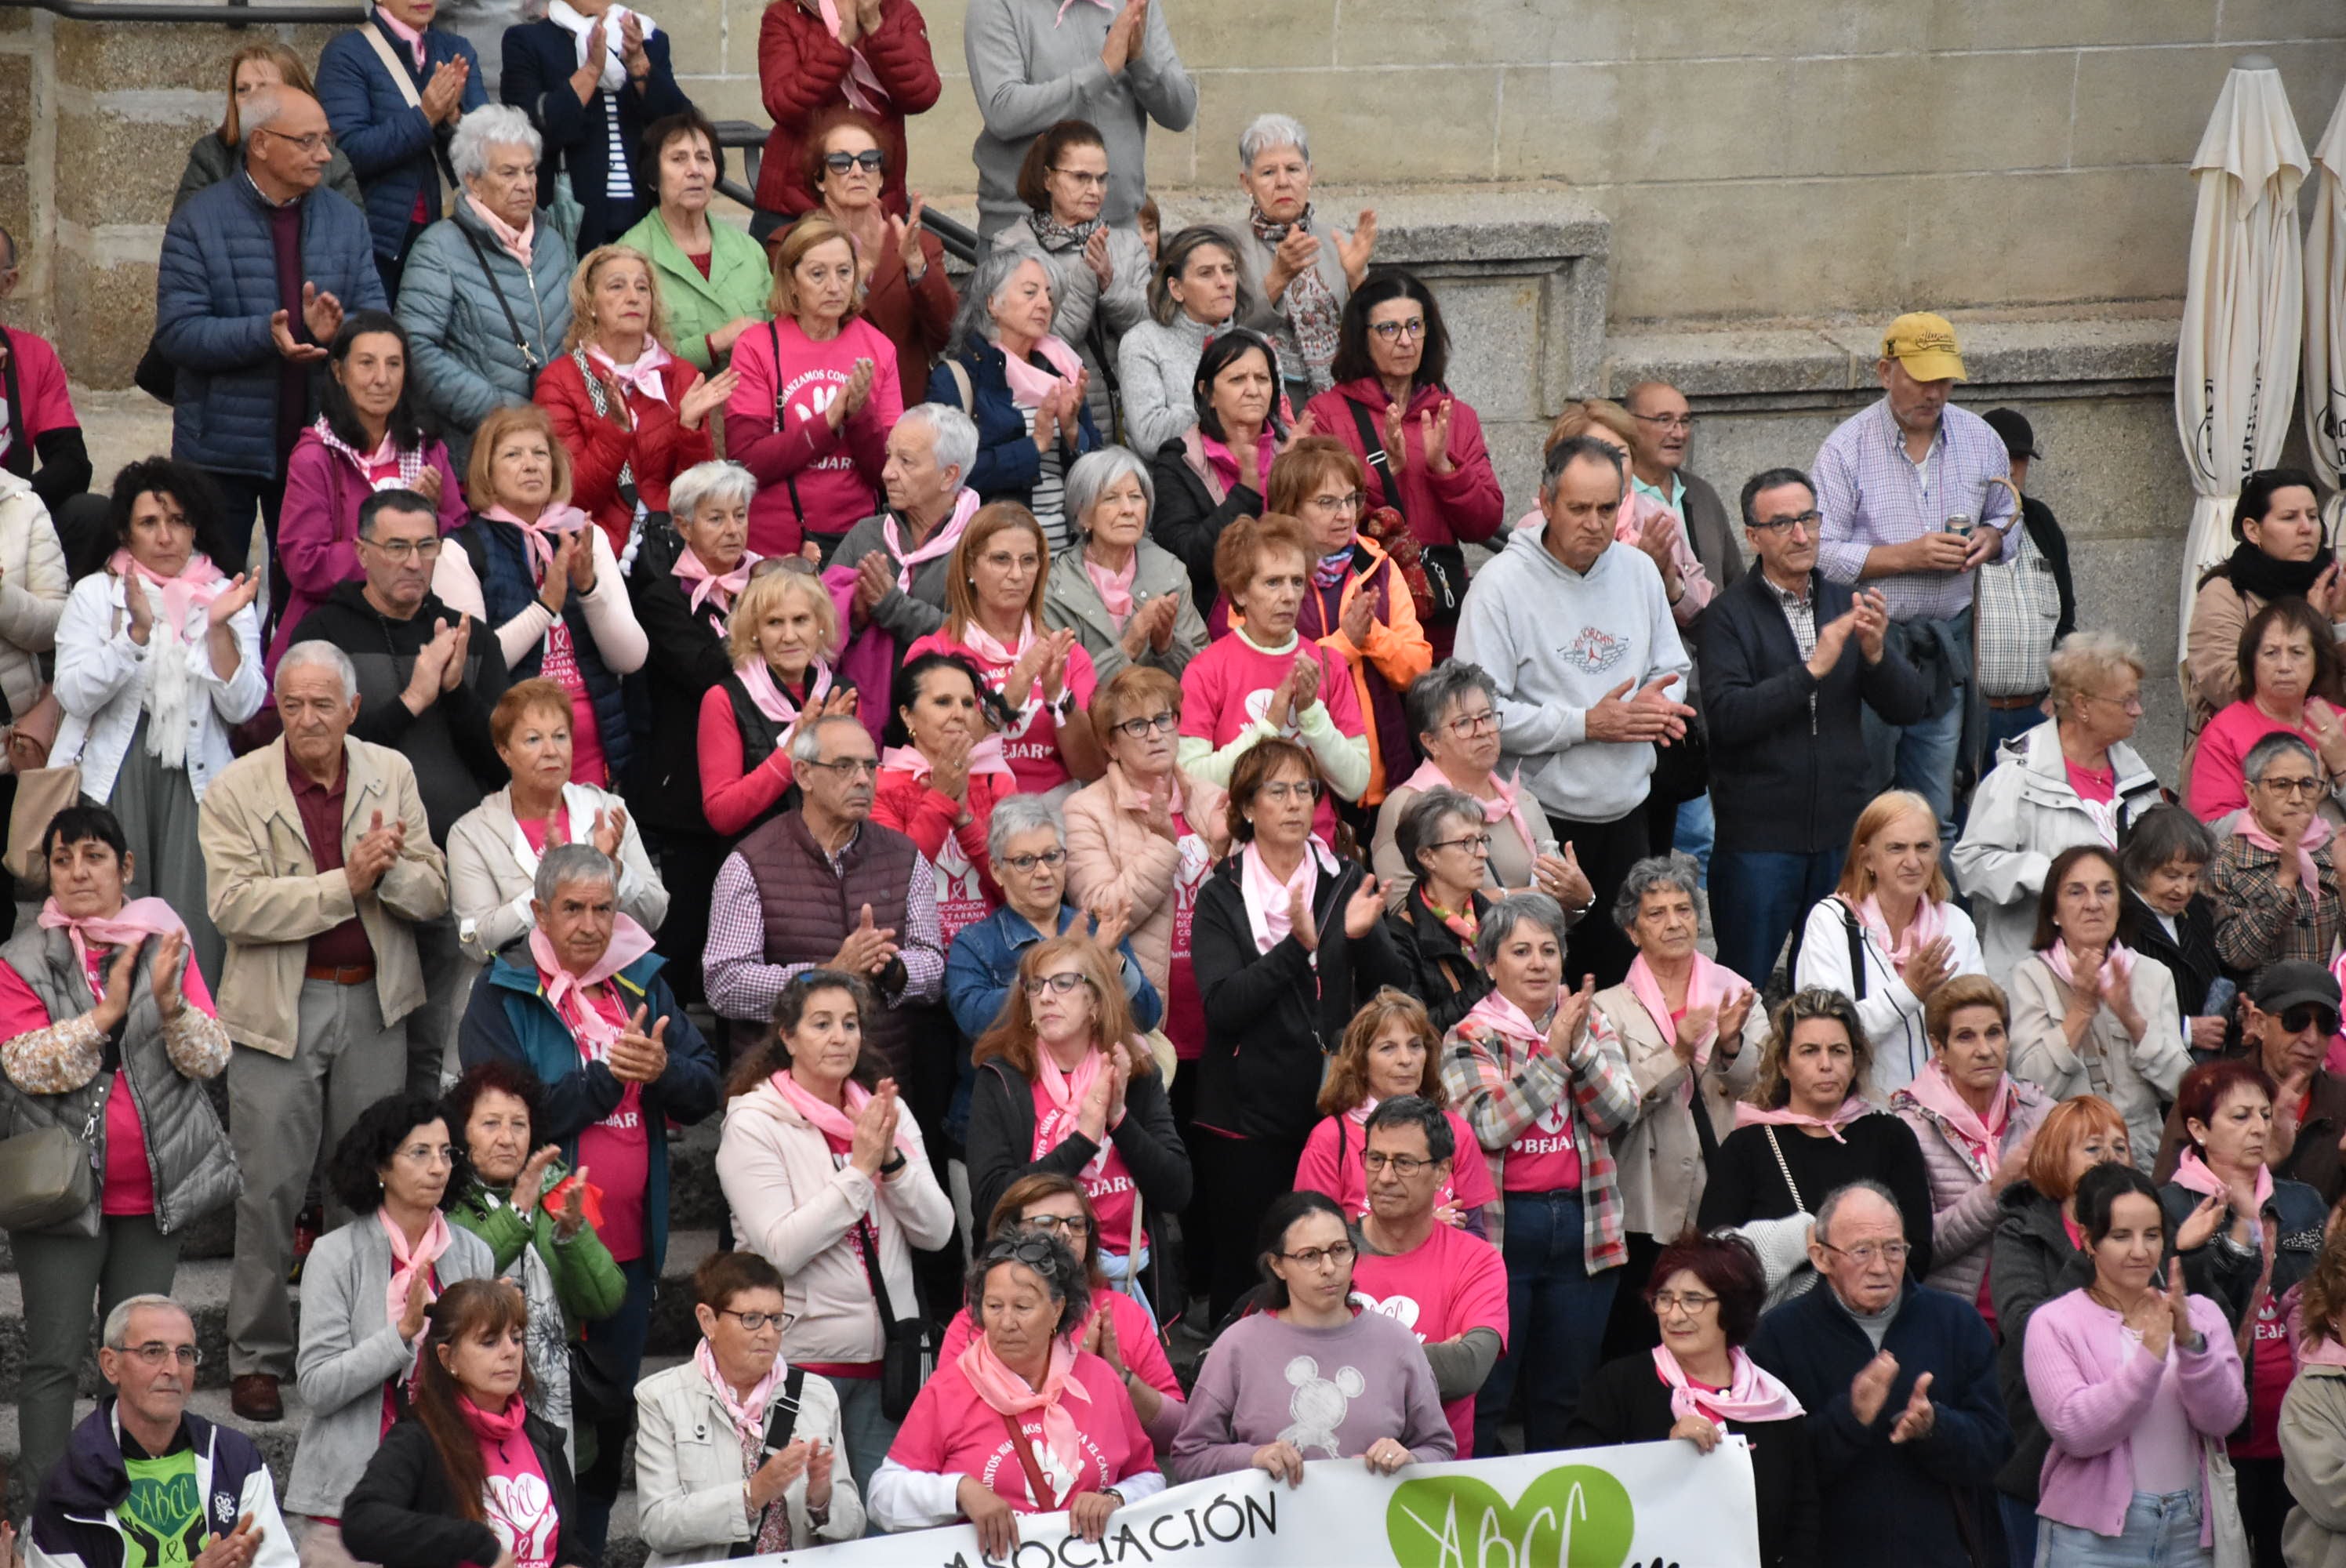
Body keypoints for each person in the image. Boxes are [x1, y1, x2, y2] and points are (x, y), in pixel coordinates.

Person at [201, 641, 447, 1425]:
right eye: (293, 703)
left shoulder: (390, 774)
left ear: (351, 708)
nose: (307, 718)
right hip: (280, 1008)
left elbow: (433, 887)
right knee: (268, 1188)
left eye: (322, 703)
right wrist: (348, 879)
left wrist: (386, 870)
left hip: (375, 1001)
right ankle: (259, 1358)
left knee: (364, 1189)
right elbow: (234, 906)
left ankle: (349, 1348)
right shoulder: (237, 786)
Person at [459, 842, 720, 1550]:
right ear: (539, 912)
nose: (590, 924)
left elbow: (706, 1087)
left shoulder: (643, 981)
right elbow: (508, 1119)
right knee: (532, 1420)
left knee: (607, 1419)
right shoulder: (503, 989)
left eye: (603, 908)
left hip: (628, 1247)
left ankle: (587, 1553)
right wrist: (607, 1080)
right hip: (536, 1255)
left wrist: (661, 1070)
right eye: (571, 909)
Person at [0, 806, 237, 1490]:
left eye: (94, 856)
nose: (78, 871)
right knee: (52, 1358)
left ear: (125, 868)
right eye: (63, 858)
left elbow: (210, 1058)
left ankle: (130, 1498)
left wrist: (169, 1005)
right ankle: (47, 1509)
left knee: (141, 1360)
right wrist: (104, 1017)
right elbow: (28, 1065)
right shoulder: (20, 959)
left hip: (151, 1194)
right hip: (61, 1198)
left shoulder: (169, 941)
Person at [286, 487, 510, 1086]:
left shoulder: (471, 638)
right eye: (397, 547)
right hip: (355, 869)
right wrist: (415, 696)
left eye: (426, 546)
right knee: (365, 1053)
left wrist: (456, 689)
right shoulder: (325, 635)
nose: (414, 561)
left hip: (454, 871)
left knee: (440, 1047)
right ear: (361, 552)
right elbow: (317, 754)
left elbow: (500, 765)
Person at [1456, 437, 1692, 988]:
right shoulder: (1499, 588)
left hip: (1630, 813)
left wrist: (1658, 707)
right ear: (1544, 501)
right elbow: (1480, 718)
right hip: (1539, 825)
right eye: (1578, 508)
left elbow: (1674, 666)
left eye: (1607, 509)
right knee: (1541, 985)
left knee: (1623, 983)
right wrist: (1587, 723)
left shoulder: (1637, 570)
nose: (1594, 523)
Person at [714, 967, 953, 1493]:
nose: (840, 1037)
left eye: (849, 1024)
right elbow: (780, 1250)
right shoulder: (755, 1122)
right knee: (806, 1522)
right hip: (798, 1363)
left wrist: (891, 1162)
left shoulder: (886, 1112)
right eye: (821, 1024)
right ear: (787, 1036)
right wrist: (860, 1172)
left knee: (884, 1525)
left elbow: (937, 1232)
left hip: (889, 1361)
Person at [1189, 739, 1400, 1322]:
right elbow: (1223, 1007)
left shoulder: (1344, 876)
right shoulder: (1221, 893)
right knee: (1251, 1263)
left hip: (1332, 1107)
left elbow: (1394, 988)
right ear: (1248, 807)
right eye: (1277, 791)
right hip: (1244, 1117)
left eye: (1305, 790)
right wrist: (1296, 948)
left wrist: (1363, 936)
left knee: (1331, 1256)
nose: (1295, 803)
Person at [1703, 465, 1924, 986]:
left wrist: (1876, 655)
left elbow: (1910, 707)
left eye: (1808, 519)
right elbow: (1729, 718)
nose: (1801, 535)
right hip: (1758, 842)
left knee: (1837, 985)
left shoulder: (1843, 599)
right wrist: (1811, 671)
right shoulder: (1727, 616)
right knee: (1742, 987)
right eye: (1782, 524)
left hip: (1841, 837)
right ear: (1753, 536)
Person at [156, 87, 388, 577]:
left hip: (320, 448)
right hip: (221, 454)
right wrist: (266, 336)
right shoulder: (199, 221)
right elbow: (177, 332)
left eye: (326, 140)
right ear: (260, 143)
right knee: (215, 596)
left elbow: (378, 325)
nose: (324, 155)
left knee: (307, 600)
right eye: (307, 141)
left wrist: (336, 335)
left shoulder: (345, 221)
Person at [1439, 891, 1639, 1454]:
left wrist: (1577, 1050)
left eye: (1549, 950)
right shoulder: (1470, 1035)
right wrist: (1552, 1055)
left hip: (1584, 1224)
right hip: (1502, 1234)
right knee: (1489, 1394)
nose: (1538, 963)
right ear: (1490, 963)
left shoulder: (1589, 1024)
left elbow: (1618, 1112)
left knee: (1566, 1396)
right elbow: (1488, 1127)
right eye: (1521, 951)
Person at [55, 461, 268, 989]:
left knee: (193, 928)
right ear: (125, 530)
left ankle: (192, 1055)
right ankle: (111, 1050)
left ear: (196, 527)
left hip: (196, 785)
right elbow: (73, 693)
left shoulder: (225, 593)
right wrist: (134, 636)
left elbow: (244, 707)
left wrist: (218, 627)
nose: (166, 535)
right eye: (149, 522)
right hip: (115, 779)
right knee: (111, 926)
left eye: (177, 520)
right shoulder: (93, 594)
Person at [1812, 312, 2018, 837]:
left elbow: (2009, 517)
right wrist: (1907, 556)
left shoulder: (1980, 438)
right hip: (1875, 644)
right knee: (1867, 800)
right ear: (1886, 372)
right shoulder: (1846, 447)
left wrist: (1990, 540)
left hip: (1944, 644)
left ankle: (1933, 917)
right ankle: (1864, 916)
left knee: (1937, 803)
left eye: (1945, 380)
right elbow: (1821, 553)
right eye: (1922, 378)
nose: (1935, 392)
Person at [1747, 1180, 2011, 1568]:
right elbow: (1773, 1473)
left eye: (1893, 1249)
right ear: (1820, 1257)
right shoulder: (1777, 1336)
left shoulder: (1956, 1322)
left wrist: (1935, 1427)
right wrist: (1849, 1418)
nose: (1881, 1267)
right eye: (1862, 1251)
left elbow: (1996, 1450)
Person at [281, 1096, 496, 1553]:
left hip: (449, 1496)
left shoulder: (474, 1254)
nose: (438, 1167)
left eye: (447, 1153)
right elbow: (317, 1386)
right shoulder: (335, 1255)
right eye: (420, 1153)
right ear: (380, 1166)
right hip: (346, 1500)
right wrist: (401, 1335)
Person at [870, 1232, 1161, 1551]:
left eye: (1022, 1307)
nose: (1006, 1322)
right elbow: (882, 1497)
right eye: (994, 1306)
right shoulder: (949, 1389)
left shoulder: (1101, 1380)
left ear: (1057, 1309)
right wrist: (960, 1492)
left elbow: (1150, 1477)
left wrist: (1115, 1498)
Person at [2022, 1163, 2245, 1568]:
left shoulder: (2200, 1312)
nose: (2140, 1251)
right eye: (2121, 1236)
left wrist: (2190, 1344)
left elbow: (2226, 1417)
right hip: (2090, 1539)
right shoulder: (2054, 1322)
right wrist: (2151, 1356)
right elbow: (2076, 1430)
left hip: (2189, 1532)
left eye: (2153, 1235)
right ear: (2089, 1240)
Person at [702, 713, 945, 1084]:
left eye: (869, 766)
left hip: (880, 1084)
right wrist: (827, 975)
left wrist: (892, 969)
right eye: (844, 767)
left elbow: (932, 967)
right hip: (781, 1092)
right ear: (803, 775)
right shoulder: (751, 862)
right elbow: (725, 983)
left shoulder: (904, 856)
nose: (863, 779)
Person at [965, 933, 1188, 1324]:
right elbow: (990, 1203)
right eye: (1036, 985)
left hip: (1126, 1282)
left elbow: (1177, 1189)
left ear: (1096, 1003)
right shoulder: (1003, 1078)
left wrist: (1118, 1119)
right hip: (1028, 1289)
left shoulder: (1134, 1072)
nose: (1046, 996)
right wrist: (1084, 1139)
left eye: (1064, 983)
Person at [1565, 1233, 1819, 1568]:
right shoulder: (1619, 1385)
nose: (1674, 1316)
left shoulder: (1772, 1401)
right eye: (1664, 1299)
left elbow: (1803, 1516)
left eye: (1693, 1300)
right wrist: (1664, 1455)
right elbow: (1579, 1489)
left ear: (1730, 1308)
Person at [2159, 1058, 2328, 1563]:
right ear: (2197, 1129)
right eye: (2239, 1117)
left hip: (2301, 1427)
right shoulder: (2168, 1207)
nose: (2258, 1127)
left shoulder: (2303, 1202)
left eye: (2262, 1113)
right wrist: (2206, 1247)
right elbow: (2178, 1313)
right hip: (2213, 1432)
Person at [1595, 851, 1767, 1343]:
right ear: (1633, 931)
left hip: (1721, 1183)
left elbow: (1761, 1087)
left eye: (1684, 909)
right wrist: (1679, 1053)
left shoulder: (1736, 992)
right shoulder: (1609, 1007)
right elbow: (1612, 1104)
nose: (1674, 923)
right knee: (1639, 1330)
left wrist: (1731, 1045)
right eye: (1656, 913)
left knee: (1716, 1323)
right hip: (1642, 1196)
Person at [433, 403, 651, 789]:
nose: (531, 465)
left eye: (540, 453)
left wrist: (588, 589)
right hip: (512, 749)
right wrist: (545, 606)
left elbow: (631, 658)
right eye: (513, 455)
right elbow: (473, 671)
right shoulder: (461, 550)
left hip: (594, 738)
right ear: (487, 471)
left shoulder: (585, 533)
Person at [1168, 1189, 1452, 1481]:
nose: (1328, 1268)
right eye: (1309, 1256)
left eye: (1340, 1250)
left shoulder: (1396, 1342)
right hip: (1272, 1524)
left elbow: (1439, 1448)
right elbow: (1189, 1457)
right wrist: (1253, 1458)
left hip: (1370, 1524)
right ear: (1277, 1265)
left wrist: (1409, 1460)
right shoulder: (1237, 1346)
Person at [28, 1293, 299, 1568]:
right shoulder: (71, 1482)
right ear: (111, 1365)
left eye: (185, 1353)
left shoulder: (234, 1458)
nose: (172, 1369)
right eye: (153, 1351)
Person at [1303, 269, 1505, 636]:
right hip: (1362, 611)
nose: (1405, 341)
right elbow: (1314, 519)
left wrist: (1446, 471)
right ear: (1361, 338)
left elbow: (1486, 523)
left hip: (1439, 612)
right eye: (1389, 329)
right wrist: (1386, 471)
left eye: (1415, 326)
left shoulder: (1455, 415)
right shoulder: (1325, 415)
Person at [1954, 630, 2165, 983]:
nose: (2138, 710)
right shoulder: (2019, 775)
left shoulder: (2136, 775)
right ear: (2083, 706)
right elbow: (1971, 865)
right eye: (2126, 700)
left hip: (2122, 975)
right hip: (2037, 980)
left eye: (2137, 698)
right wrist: (2051, 875)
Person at [340, 1276, 592, 1568]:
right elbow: (361, 1522)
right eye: (490, 1341)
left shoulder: (542, 1437)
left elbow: (565, 1542)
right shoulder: (418, 1439)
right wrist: (474, 1542)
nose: (510, 1351)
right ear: (448, 1358)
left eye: (517, 1338)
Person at [444, 1058, 626, 1461]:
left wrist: (572, 1236)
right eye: (490, 1124)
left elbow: (607, 1299)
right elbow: (454, 1282)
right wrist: (518, 1211)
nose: (507, 1138)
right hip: (468, 1414)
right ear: (462, 1133)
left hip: (555, 1412)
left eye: (519, 1125)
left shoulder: (556, 1184)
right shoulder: (443, 1198)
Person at [634, 1249, 866, 1562]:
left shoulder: (816, 1395)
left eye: (776, 1319)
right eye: (751, 1319)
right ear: (708, 1320)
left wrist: (822, 1501)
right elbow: (657, 1524)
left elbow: (854, 1525)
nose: (769, 1334)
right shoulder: (660, 1398)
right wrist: (752, 1494)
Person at [445, 677, 666, 1001]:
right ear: (504, 751)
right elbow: (476, 941)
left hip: (606, 996)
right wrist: (553, 881)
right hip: (513, 1002)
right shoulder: (472, 832)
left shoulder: (607, 809)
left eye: (561, 737)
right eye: (533, 739)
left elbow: (655, 914)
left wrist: (614, 869)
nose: (551, 751)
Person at [1988, 1094, 2137, 1568]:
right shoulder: (2020, 1232)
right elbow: (2025, 1324)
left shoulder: (2150, 1229)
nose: (2110, 1159)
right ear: (2056, 1158)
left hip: (2133, 1459)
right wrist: (2093, 1249)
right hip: (2039, 1454)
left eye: (2120, 1147)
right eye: (2093, 1149)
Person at [1696, 989, 1939, 1279]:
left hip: (1874, 1317)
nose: (1826, 1064)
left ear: (1854, 1062)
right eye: (1809, 1051)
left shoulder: (1891, 1137)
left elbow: (1918, 1251)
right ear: (1784, 1064)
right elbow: (1712, 1253)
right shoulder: (1747, 1146)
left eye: (1838, 1051)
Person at [275, 314, 470, 668]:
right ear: (338, 372)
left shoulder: (426, 450)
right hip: (339, 633)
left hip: (421, 625)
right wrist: (393, 545)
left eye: (394, 364)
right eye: (366, 364)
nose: (382, 379)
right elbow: (304, 563)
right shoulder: (317, 456)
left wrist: (435, 511)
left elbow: (459, 538)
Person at [937, 1174, 1186, 1444]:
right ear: (1010, 1233)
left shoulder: (1120, 1312)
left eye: (1077, 1224)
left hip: (1108, 1483)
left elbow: (1177, 1433)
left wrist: (1120, 1378)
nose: (1066, 1233)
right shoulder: (976, 1321)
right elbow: (943, 1426)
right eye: (1047, 1223)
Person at [1061, 662, 1227, 1069]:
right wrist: (1160, 847)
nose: (1155, 734)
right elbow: (1103, 911)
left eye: (1163, 718)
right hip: (1146, 1020)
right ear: (1111, 745)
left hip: (1222, 1011)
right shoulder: (1085, 811)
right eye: (1136, 725)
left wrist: (1223, 853)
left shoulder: (1213, 799)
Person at [1258, 434, 1431, 810]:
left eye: (1351, 499)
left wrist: (1372, 636)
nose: (1345, 514)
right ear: (1291, 509)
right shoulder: (1261, 578)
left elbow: (1418, 669)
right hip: (1303, 792)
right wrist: (1346, 643)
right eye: (1326, 502)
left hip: (1389, 781)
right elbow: (1266, 679)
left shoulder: (1378, 567)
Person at [397, 107, 577, 464]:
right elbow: (416, 347)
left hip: (553, 448)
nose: (525, 185)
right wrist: (501, 413)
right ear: (473, 182)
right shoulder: (438, 249)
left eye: (530, 171)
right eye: (508, 173)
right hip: (478, 450)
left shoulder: (553, 243)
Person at [1175, 512, 1367, 847]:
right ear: (1240, 591)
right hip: (1238, 853)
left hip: (1318, 852)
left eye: (1297, 581)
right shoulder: (1206, 669)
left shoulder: (1328, 662)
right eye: (1273, 582)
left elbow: (1355, 783)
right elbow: (1191, 781)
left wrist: (1311, 714)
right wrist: (1268, 726)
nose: (1290, 595)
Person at [534, 242, 728, 559]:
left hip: (669, 546)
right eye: (617, 286)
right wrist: (616, 430)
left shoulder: (681, 375)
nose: (633, 296)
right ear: (590, 304)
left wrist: (690, 429)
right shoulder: (559, 380)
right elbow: (572, 498)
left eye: (642, 287)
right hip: (598, 552)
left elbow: (697, 500)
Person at [943, 793, 1164, 1071]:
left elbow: (1147, 1016)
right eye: (1025, 861)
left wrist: (1111, 959)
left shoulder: (1095, 927)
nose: (1044, 872)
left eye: (1052, 856)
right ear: (997, 871)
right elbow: (975, 1021)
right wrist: (1062, 959)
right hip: (1011, 1101)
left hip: (1094, 1095)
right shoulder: (974, 943)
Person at [725, 216, 902, 560]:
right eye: (818, 274)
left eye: (844, 272)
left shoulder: (879, 348)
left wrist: (859, 414)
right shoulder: (757, 346)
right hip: (774, 547)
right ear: (792, 281)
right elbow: (747, 462)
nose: (834, 287)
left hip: (857, 544)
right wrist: (828, 422)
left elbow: (888, 473)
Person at [2006, 844, 2192, 1170]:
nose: (2093, 904)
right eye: (2076, 893)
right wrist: (2080, 1010)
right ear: (2054, 912)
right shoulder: (2029, 977)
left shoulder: (2153, 975)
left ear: (2120, 905)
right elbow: (2028, 1087)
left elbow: (2183, 1087)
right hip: (2065, 1158)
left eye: (2105, 891)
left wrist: (2133, 1020)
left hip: (2143, 1158)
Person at [1346, 1096, 1510, 1458]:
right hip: (1331, 1471)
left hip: (1435, 1478)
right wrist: (1425, 1363)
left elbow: (1467, 1369)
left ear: (1442, 1171)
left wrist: (1339, 1364)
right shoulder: (1331, 1251)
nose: (1385, 1177)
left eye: (1404, 1163)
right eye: (1376, 1159)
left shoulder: (1477, 1260)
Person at [903, 505, 1104, 798]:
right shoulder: (934, 653)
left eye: (1028, 561)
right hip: (967, 807)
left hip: (1053, 813)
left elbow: (1090, 770)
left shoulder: (1065, 653)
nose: (1016, 574)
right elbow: (937, 759)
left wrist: (1058, 698)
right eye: (1000, 560)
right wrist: (1006, 701)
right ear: (970, 566)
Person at [1796, 789, 1987, 1097]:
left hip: (1946, 1115)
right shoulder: (1830, 922)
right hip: (1861, 1115)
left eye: (1924, 847)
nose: (1913, 861)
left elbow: (1981, 1024)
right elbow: (1828, 1037)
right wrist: (1909, 991)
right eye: (1897, 848)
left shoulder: (1956, 924)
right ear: (1867, 858)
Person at [964, 0, 1194, 243]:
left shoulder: (1134, 4)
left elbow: (1180, 113)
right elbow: (1003, 112)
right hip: (1026, 237)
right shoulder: (996, 5)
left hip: (1119, 233)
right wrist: (1101, 71)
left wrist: (1140, 61)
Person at [1370, 659, 1589, 913]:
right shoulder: (1407, 805)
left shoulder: (1522, 800)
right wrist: (1523, 898)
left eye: (1487, 717)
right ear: (1431, 742)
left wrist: (1582, 900)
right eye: (1463, 723)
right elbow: (1404, 911)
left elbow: (1559, 906)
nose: (1482, 730)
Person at [1889, 975, 2054, 1310]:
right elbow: (1916, 1250)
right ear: (1939, 1048)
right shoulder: (1908, 1128)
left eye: (1994, 1033)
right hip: (1954, 1319)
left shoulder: (2043, 1113)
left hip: (2037, 1312)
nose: (1985, 1050)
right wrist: (1997, 1190)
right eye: (1966, 1037)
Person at [314, 0, 485, 300]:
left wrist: (453, 118)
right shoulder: (347, 53)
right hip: (380, 239)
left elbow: (486, 151)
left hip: (451, 231)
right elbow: (346, 153)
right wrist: (425, 117)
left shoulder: (456, 49)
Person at [929, 252, 1099, 549]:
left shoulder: (1063, 368)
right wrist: (1034, 446)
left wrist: (1072, 431)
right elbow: (947, 476)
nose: (1045, 304)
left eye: (1048, 295)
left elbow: (1097, 472)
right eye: (1030, 292)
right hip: (996, 555)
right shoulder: (960, 378)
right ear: (992, 303)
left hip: (1068, 558)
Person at [993, 119, 1151, 431]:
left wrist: (1110, 283)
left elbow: (1149, 327)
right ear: (1048, 179)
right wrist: (1088, 277)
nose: (1095, 190)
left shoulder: (1126, 244)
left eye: (1102, 179)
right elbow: (1038, 341)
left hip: (1125, 410)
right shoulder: (1016, 247)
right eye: (1081, 177)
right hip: (1049, 414)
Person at [1295, 988, 1496, 1233]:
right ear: (1361, 1063)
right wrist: (1419, 1230)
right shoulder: (1329, 1139)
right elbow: (1314, 1239)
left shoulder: (1456, 1131)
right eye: (1388, 1048)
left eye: (1415, 1045)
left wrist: (1439, 1240)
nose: (1406, 1059)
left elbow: (1476, 1234)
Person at [826, 401, 980, 714]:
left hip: (950, 718)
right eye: (888, 456)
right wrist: (853, 614)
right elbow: (817, 628)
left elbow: (982, 638)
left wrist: (892, 606)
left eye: (906, 462)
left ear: (949, 476)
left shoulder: (982, 544)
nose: (887, 473)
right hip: (862, 713)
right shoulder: (866, 535)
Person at [500, 0, 688, 255]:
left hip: (645, 210)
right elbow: (528, 131)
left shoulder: (648, 37)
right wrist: (591, 71)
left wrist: (639, 66)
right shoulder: (527, 40)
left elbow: (678, 125)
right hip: (572, 213)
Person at [2153, 962, 2346, 1204]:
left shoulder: (2341, 1099)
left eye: (2327, 1024)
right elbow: (2168, 1201)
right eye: (2296, 1021)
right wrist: (2263, 1164)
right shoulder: (2209, 1090)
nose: (2311, 1037)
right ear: (2259, 1023)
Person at [696, 555, 853, 840]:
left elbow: (860, 798)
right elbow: (722, 814)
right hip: (757, 865)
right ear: (755, 631)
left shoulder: (839, 693)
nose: (789, 636)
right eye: (774, 623)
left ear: (819, 624)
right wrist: (792, 752)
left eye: (800, 620)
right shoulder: (723, 699)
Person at [797, 106, 955, 388]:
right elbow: (801, 331)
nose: (858, 172)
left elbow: (949, 334)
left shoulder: (922, 245)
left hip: (902, 409)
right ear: (819, 179)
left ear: (881, 177)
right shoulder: (792, 244)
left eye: (870, 161)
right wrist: (865, 267)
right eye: (841, 162)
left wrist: (916, 263)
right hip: (821, 399)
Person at [2184, 466, 2341, 741]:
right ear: (2253, 530)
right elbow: (2229, 687)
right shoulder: (2226, 592)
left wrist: (2341, 622)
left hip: (2333, 749)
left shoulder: (2335, 585)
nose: (2306, 528)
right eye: (2290, 518)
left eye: (2313, 516)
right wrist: (2312, 624)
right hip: (2246, 753)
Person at [1232, 114, 1375, 404]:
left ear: (1310, 174)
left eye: (1293, 169)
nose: (1283, 182)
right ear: (1247, 182)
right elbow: (1223, 331)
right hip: (1260, 400)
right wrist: (1278, 279)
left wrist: (1357, 278)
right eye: (1268, 173)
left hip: (1341, 395)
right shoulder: (1227, 245)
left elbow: (1373, 329)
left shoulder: (1340, 242)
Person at [754, 0, 939, 224]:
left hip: (875, 198)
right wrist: (841, 43)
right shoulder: (785, 14)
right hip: (796, 203)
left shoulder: (899, 11)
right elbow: (783, 104)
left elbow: (922, 94)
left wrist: (876, 27)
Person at [616, 110, 772, 374]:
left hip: (753, 405)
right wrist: (716, 342)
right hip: (673, 409)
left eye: (703, 158)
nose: (695, 171)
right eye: (678, 159)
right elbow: (626, 358)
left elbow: (781, 335)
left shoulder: (748, 250)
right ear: (653, 178)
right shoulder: (627, 257)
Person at [879, 649, 1015, 947]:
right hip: (915, 956)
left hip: (997, 954)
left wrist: (965, 822)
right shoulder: (880, 786)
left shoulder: (996, 780)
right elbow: (894, 883)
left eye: (968, 703)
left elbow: (1018, 887)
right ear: (907, 715)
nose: (959, 713)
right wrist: (942, 798)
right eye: (943, 702)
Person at [1148, 327, 1288, 608]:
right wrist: (1244, 497)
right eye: (1237, 379)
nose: (1253, 390)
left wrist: (1300, 480)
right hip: (1218, 616)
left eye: (1262, 378)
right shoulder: (1177, 462)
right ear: (1207, 393)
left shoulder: (1290, 450)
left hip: (1296, 604)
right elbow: (1186, 560)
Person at [1041, 446, 1204, 683]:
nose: (1128, 510)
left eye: (1136, 497)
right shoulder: (1056, 588)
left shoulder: (1171, 571)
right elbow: (1060, 688)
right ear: (1083, 514)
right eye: (1111, 498)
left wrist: (1166, 648)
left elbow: (1204, 671)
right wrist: (1128, 647)